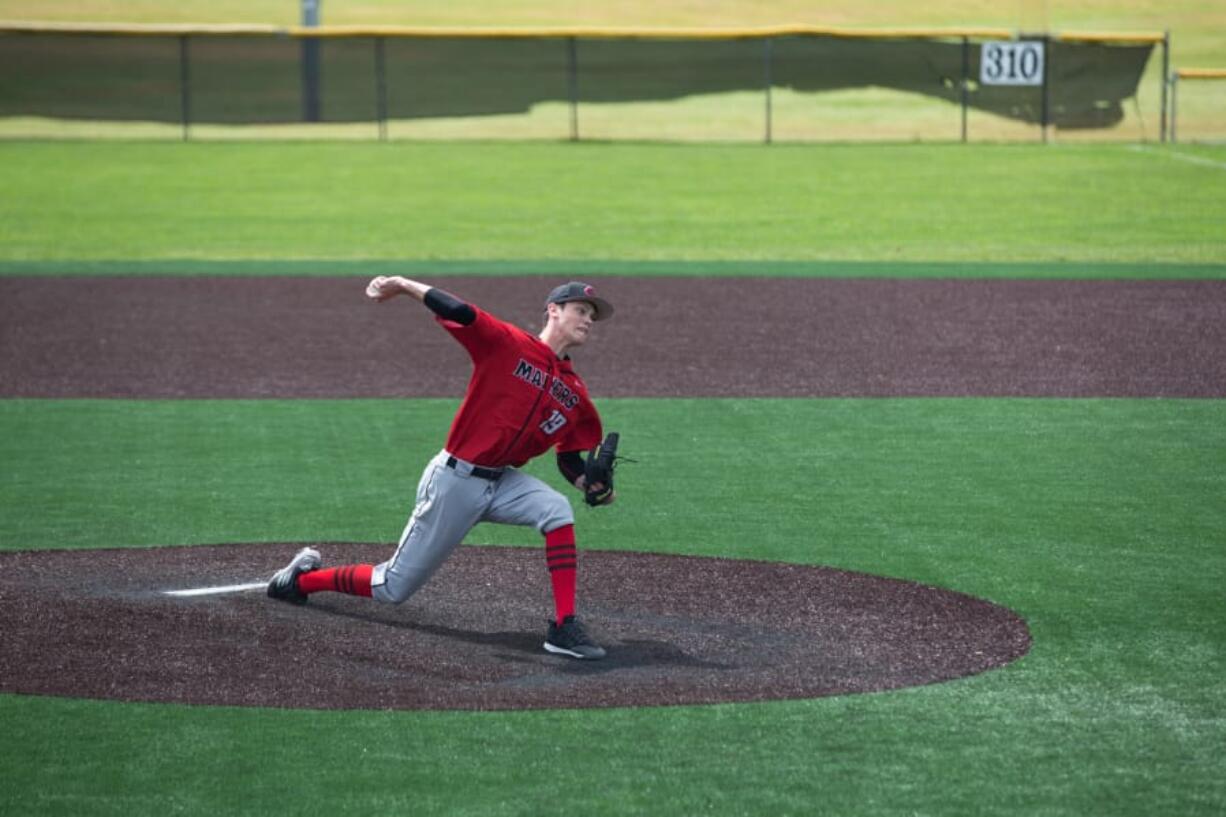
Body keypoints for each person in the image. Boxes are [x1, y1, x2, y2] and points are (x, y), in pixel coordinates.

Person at [267, 277, 615, 660]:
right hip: (456, 480)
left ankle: (564, 626)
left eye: (592, 316)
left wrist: (588, 484)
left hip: (502, 482)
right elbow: (461, 312)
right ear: (553, 310)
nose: (587, 320)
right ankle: (301, 581)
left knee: (556, 510)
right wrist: (402, 284)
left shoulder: (574, 391)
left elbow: (568, 457)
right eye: (580, 310)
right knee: (392, 587)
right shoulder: (509, 345)